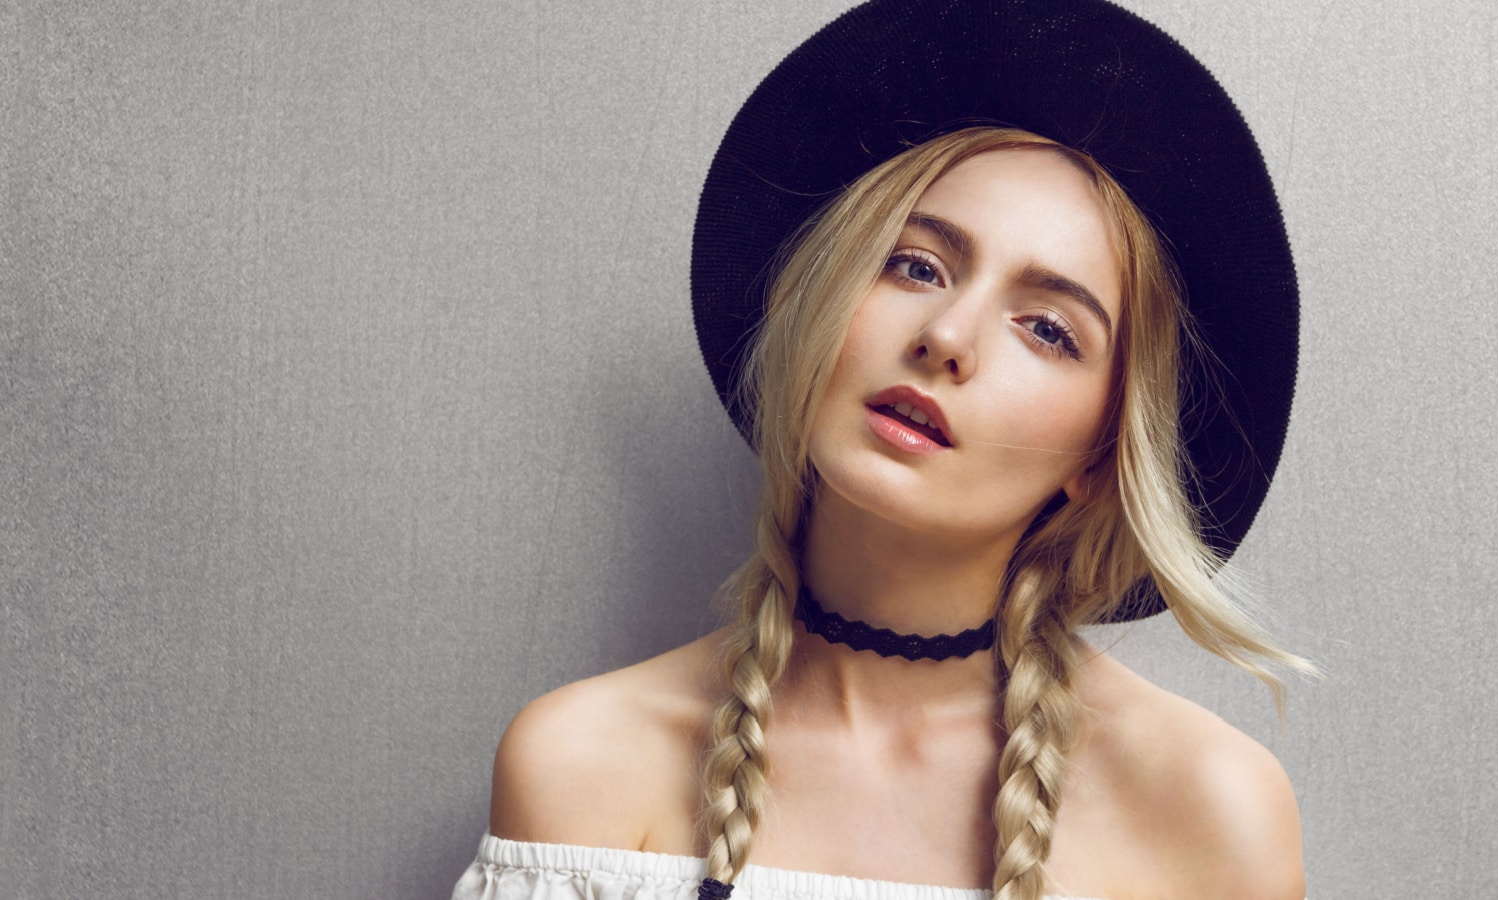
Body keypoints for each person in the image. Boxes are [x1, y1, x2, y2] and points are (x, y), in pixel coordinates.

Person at [454, 2, 1314, 899]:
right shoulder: (581, 765)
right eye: (917, 265)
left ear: (1100, 456)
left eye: (1049, 329)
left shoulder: (1209, 812)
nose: (948, 334)